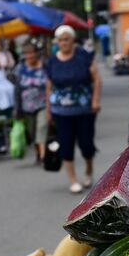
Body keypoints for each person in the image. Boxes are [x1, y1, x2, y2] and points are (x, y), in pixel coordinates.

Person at [45, 24, 101, 193]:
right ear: (57, 42)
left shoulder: (84, 57)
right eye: (61, 40)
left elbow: (97, 79)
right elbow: (49, 87)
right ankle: (73, 180)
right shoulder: (52, 62)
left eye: (67, 39)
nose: (64, 43)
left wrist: (96, 100)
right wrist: (49, 109)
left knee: (86, 144)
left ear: (73, 40)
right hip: (61, 111)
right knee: (66, 145)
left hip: (84, 109)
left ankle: (89, 168)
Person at [13, 41, 50, 163]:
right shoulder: (20, 69)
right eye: (27, 54)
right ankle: (38, 153)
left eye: (32, 53)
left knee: (42, 126)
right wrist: (16, 109)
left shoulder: (45, 67)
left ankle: (44, 155)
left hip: (43, 103)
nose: (30, 56)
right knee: (32, 132)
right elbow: (16, 90)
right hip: (26, 106)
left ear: (37, 53)